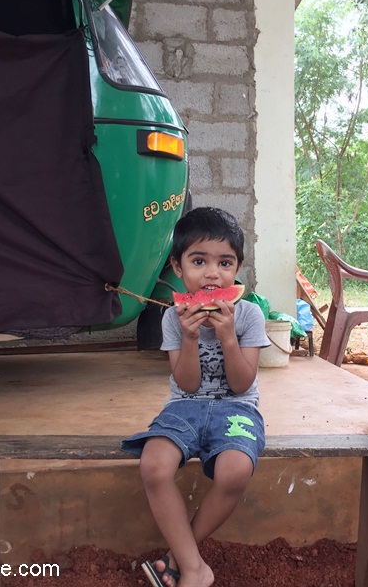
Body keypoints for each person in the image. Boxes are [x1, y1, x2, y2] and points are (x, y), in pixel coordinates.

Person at [122, 206, 271, 587]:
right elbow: (186, 384)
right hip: (184, 406)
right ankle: (194, 569)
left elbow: (242, 383)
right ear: (177, 267)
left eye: (225, 262)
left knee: (235, 470)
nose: (212, 273)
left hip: (237, 407)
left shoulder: (250, 315)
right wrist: (189, 339)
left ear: (237, 269)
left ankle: (180, 560)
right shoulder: (173, 318)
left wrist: (227, 337)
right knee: (153, 467)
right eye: (199, 260)